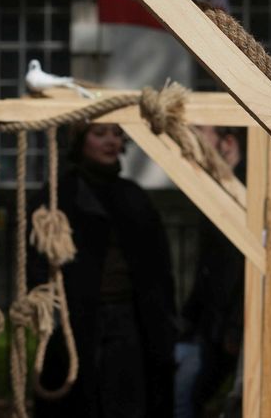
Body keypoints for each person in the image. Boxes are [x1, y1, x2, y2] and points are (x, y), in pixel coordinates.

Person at [29, 123, 177, 418]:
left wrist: (164, 322)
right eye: (99, 134)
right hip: (74, 323)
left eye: (116, 134)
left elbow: (159, 269)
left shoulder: (134, 197)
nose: (110, 141)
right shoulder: (58, 197)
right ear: (81, 142)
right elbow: (36, 263)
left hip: (129, 322)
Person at [175, 126, 246, 418]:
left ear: (227, 143)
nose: (188, 137)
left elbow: (242, 269)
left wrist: (235, 326)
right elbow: (208, 268)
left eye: (198, 130)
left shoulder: (247, 191)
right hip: (211, 325)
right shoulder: (213, 188)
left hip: (232, 325)